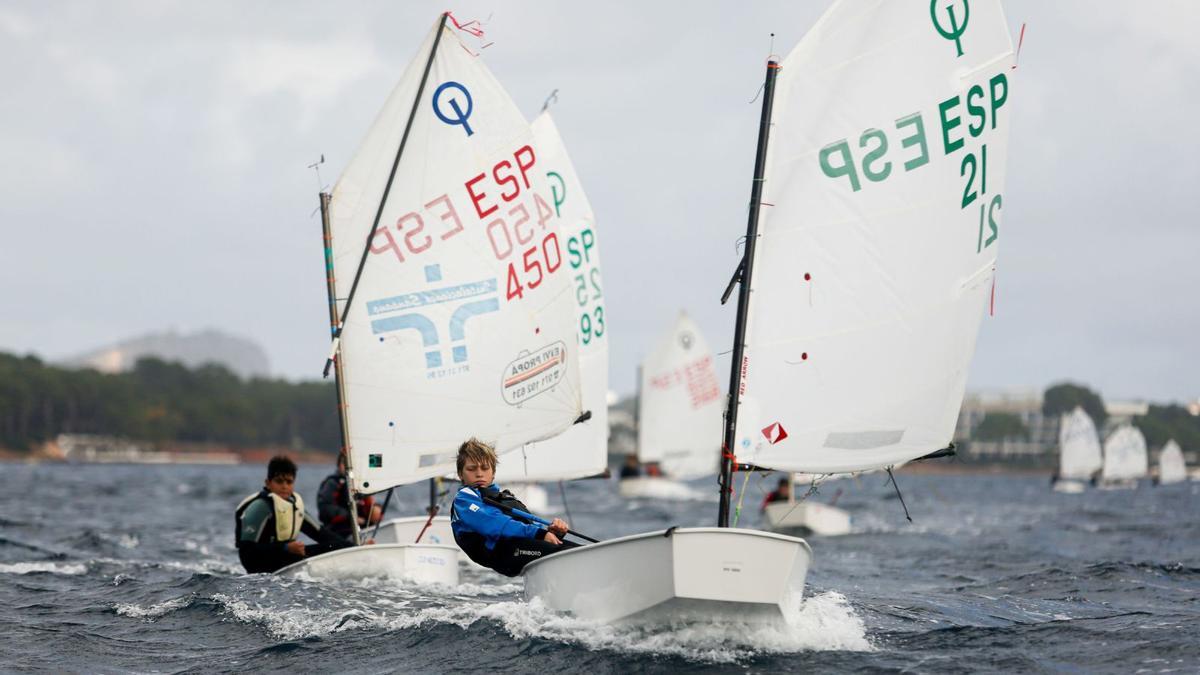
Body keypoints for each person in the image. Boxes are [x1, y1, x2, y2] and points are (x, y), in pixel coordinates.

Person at [450, 438, 580, 576]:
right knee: (569, 554)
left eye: (485, 468)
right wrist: (540, 534)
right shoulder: (463, 500)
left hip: (519, 547)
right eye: (471, 469)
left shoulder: (503, 498)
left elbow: (529, 527)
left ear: (493, 473)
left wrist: (554, 533)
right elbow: (494, 524)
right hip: (503, 553)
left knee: (580, 551)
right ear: (460, 474)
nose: (479, 473)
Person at [234, 455, 356, 573]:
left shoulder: (294, 507)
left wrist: (353, 547)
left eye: (289, 482)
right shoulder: (260, 507)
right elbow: (247, 551)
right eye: (279, 481)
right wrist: (285, 548)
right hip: (259, 564)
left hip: (286, 556)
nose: (284, 487)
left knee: (334, 547)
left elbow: (321, 534)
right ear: (268, 483)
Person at [317, 452, 382, 540]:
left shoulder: (360, 484)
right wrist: (350, 517)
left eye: (351, 464)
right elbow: (325, 508)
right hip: (339, 530)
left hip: (361, 529)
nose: (348, 467)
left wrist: (376, 510)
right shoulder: (332, 483)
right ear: (339, 465)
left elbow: (368, 505)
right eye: (344, 463)